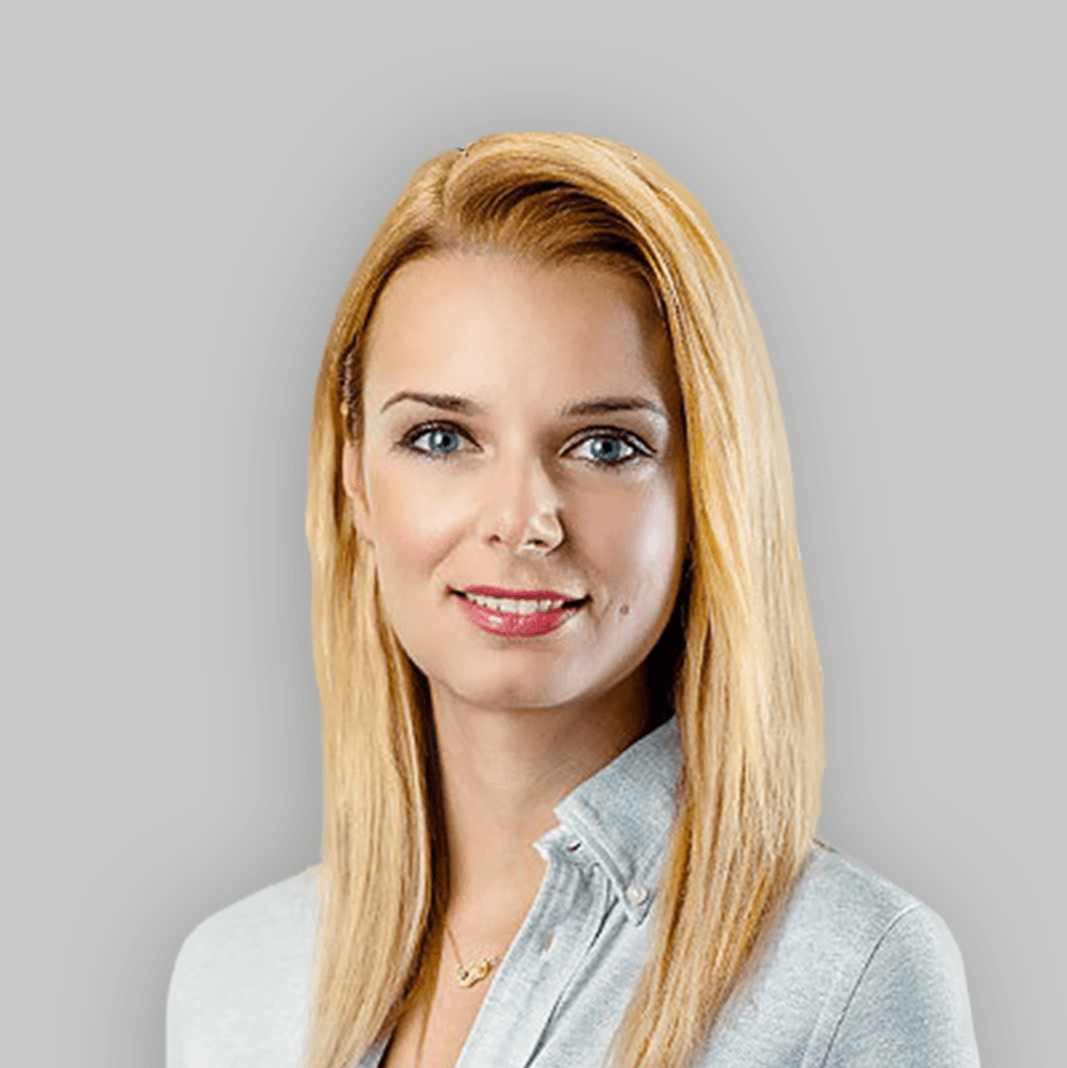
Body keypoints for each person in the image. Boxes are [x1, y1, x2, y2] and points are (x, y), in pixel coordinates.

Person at [166, 132, 981, 1068]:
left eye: (604, 446)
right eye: (440, 438)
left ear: (707, 491)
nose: (521, 522)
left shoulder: (850, 971)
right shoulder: (234, 979)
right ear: (354, 477)